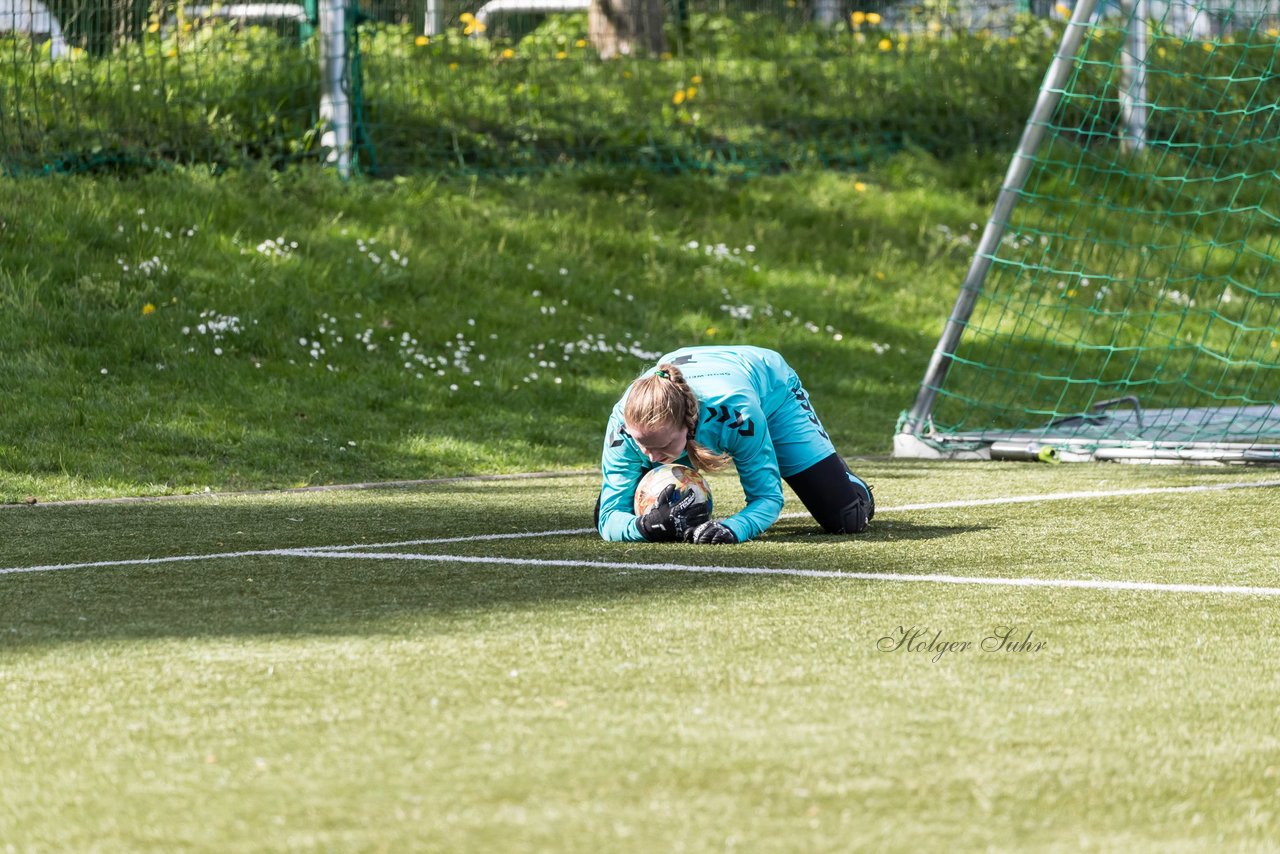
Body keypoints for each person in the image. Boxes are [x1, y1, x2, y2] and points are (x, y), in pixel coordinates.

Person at [595, 345, 874, 544]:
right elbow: (608, 517)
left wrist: (733, 528)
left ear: (687, 424)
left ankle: (842, 475)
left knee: (846, 518)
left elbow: (767, 498)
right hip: (707, 382)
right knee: (630, 510)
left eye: (660, 446)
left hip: (773, 392)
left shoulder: (738, 413)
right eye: (640, 443)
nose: (649, 456)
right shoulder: (624, 422)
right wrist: (643, 526)